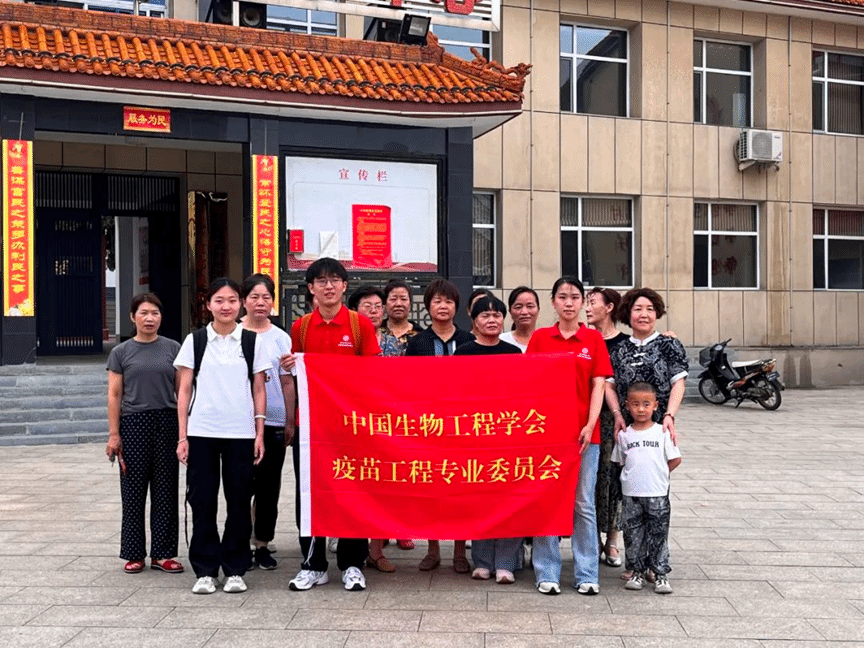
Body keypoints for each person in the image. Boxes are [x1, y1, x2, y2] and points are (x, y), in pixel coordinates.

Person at [288, 258, 381, 593]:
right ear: (311, 288)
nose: (328, 286)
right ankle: (313, 564)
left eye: (334, 280)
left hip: (350, 427)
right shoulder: (301, 328)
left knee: (353, 491)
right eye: (321, 281)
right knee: (309, 493)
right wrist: (292, 365)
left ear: (344, 286)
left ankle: (352, 563)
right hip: (311, 426)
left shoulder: (359, 325)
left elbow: (372, 374)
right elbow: (297, 374)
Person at [175, 278, 269, 595]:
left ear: (240, 304)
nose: (226, 306)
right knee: (202, 502)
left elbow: (259, 389)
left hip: (241, 434)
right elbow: (184, 390)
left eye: (231, 300)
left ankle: (235, 569)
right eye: (219, 300)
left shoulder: (252, 342)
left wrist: (259, 432)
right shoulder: (196, 341)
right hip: (202, 431)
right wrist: (183, 436)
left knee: (239, 502)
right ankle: (205, 570)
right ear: (208, 305)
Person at [527, 276, 612, 596]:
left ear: (583, 303)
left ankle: (587, 573)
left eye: (575, 297)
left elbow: (599, 384)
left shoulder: (593, 339)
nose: (568, 302)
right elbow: (530, 384)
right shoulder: (540, 338)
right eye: (562, 297)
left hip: (585, 436)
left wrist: (590, 425)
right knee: (548, 501)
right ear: (553, 302)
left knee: (583, 504)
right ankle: (546, 571)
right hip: (547, 436)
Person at [605, 287, 688, 581]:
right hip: (627, 432)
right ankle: (635, 563)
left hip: (657, 429)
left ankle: (656, 564)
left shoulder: (669, 345)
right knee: (629, 499)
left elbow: (678, 383)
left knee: (656, 501)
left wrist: (669, 416)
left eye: (650, 309)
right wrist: (617, 415)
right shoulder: (619, 349)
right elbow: (609, 385)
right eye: (638, 309)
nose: (644, 314)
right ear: (628, 313)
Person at [106, 293, 184, 576]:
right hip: (133, 424)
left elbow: (182, 391)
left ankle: (163, 554)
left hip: (167, 422)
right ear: (132, 317)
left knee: (165, 490)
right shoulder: (121, 352)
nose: (149, 319)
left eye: (155, 313)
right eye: (143, 313)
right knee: (133, 492)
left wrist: (184, 433)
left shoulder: (173, 348)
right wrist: (114, 434)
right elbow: (114, 394)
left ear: (161, 317)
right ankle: (134, 553)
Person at [406, 278, 474, 573]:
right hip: (428, 426)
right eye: (437, 301)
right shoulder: (417, 342)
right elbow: (406, 384)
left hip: (462, 427)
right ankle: (432, 550)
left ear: (456, 307)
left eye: (448, 301)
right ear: (428, 306)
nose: (443, 306)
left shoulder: (469, 340)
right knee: (431, 489)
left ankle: (459, 551)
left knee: (461, 490)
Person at [454, 295, 522, 583]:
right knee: (479, 500)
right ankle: (482, 561)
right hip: (474, 437)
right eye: (485, 315)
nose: (492, 320)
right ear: (474, 321)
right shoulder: (463, 353)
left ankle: (505, 563)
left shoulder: (514, 353)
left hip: (507, 435)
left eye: (497, 315)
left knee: (509, 500)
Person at [348, 284, 415, 570]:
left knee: (384, 482)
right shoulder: (348, 339)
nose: (374, 311)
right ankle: (354, 544)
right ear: (355, 310)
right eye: (368, 306)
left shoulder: (395, 343)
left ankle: (376, 550)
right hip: (353, 421)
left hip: (388, 421)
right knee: (357, 484)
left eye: (378, 306)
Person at [240, 274, 296, 571]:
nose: (260, 303)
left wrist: (289, 419)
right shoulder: (233, 333)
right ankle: (240, 542)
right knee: (240, 486)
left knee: (268, 488)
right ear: (243, 301)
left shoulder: (280, 337)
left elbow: (287, 382)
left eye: (266, 297)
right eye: (254, 297)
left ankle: (262, 543)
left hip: (273, 421)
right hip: (239, 423)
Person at [612, 381, 682, 594]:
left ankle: (660, 574)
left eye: (646, 404)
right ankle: (637, 572)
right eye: (635, 404)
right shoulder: (624, 434)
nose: (641, 409)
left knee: (658, 534)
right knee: (633, 534)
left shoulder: (662, 432)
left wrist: (660, 473)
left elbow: (675, 459)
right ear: (627, 406)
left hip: (657, 493)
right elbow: (620, 461)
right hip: (631, 494)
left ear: (655, 405)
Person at [585, 287, 628, 568]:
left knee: (614, 478)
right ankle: (592, 539)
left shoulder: (624, 343)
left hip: (614, 419)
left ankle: (612, 539)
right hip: (586, 417)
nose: (587, 308)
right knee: (591, 481)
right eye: (586, 303)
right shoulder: (585, 339)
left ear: (609, 307)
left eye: (592, 303)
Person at [381, 279, 423, 354]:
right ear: (385, 303)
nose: (398, 304)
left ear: (410, 304)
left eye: (403, 299)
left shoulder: (421, 335)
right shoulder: (376, 333)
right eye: (393, 299)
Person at [500, 286, 540, 352]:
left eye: (530, 306)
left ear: (538, 309)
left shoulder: (547, 340)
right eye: (518, 307)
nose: (524, 312)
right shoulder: (501, 340)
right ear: (510, 311)